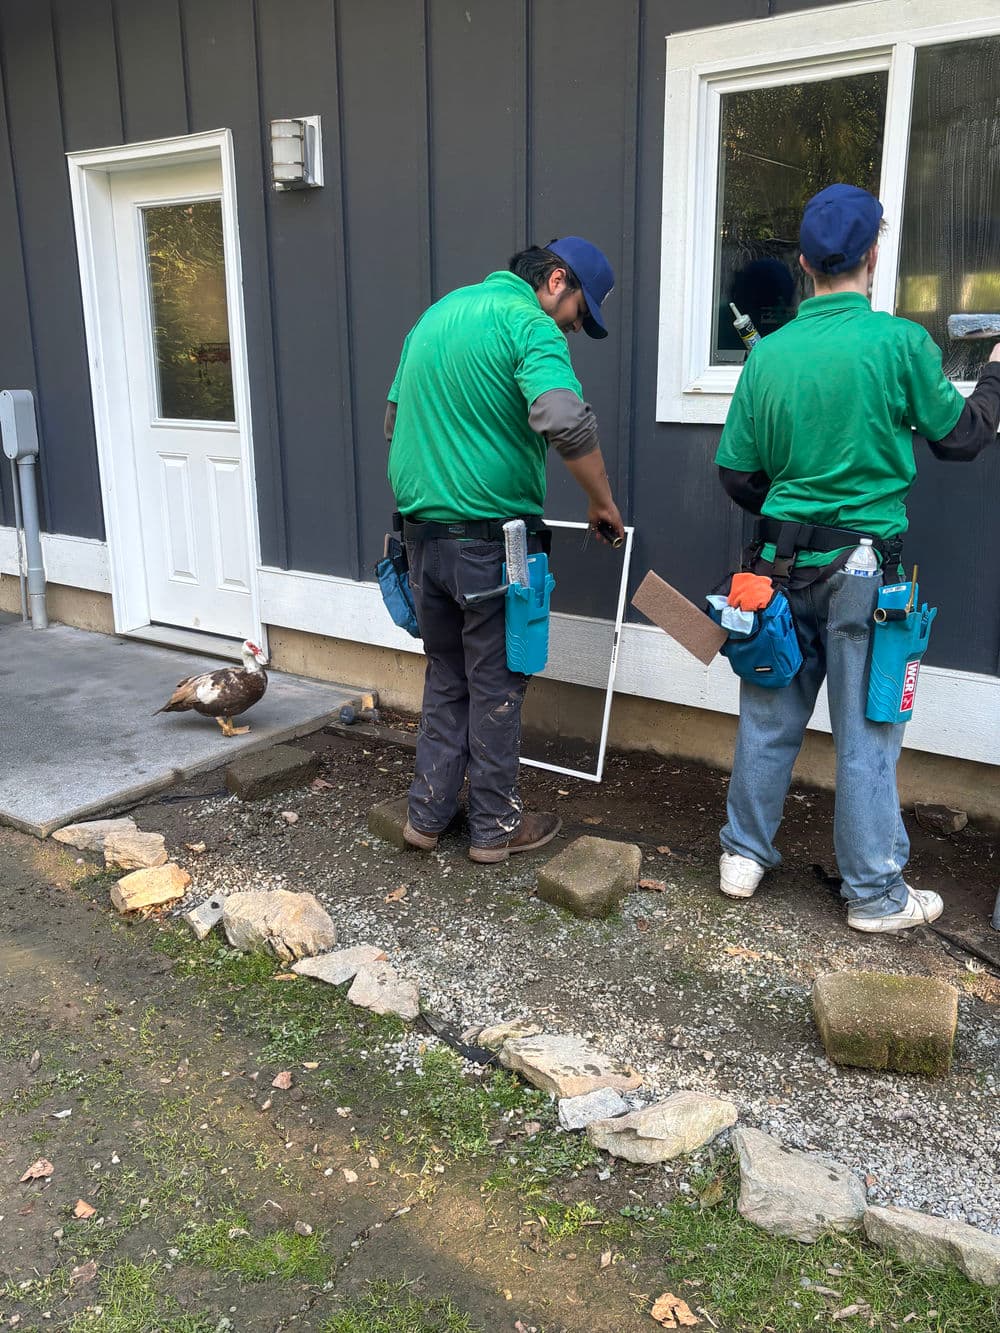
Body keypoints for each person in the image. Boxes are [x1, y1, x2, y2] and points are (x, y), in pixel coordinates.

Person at [714, 183, 1000, 933]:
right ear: (874, 255)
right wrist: (996, 373)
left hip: (774, 569)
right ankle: (873, 893)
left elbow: (736, 474)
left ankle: (742, 854)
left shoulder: (768, 355)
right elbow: (961, 436)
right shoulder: (900, 344)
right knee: (867, 731)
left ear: (804, 262)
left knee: (769, 711)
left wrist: (792, 508)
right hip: (864, 573)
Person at [385, 238, 624, 864]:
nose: (569, 331)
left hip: (420, 541)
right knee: (496, 684)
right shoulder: (526, 322)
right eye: (573, 316)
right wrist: (601, 503)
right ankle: (494, 828)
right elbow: (565, 419)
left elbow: (394, 418)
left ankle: (426, 816)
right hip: (490, 544)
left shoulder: (434, 317)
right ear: (555, 280)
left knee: (446, 676)